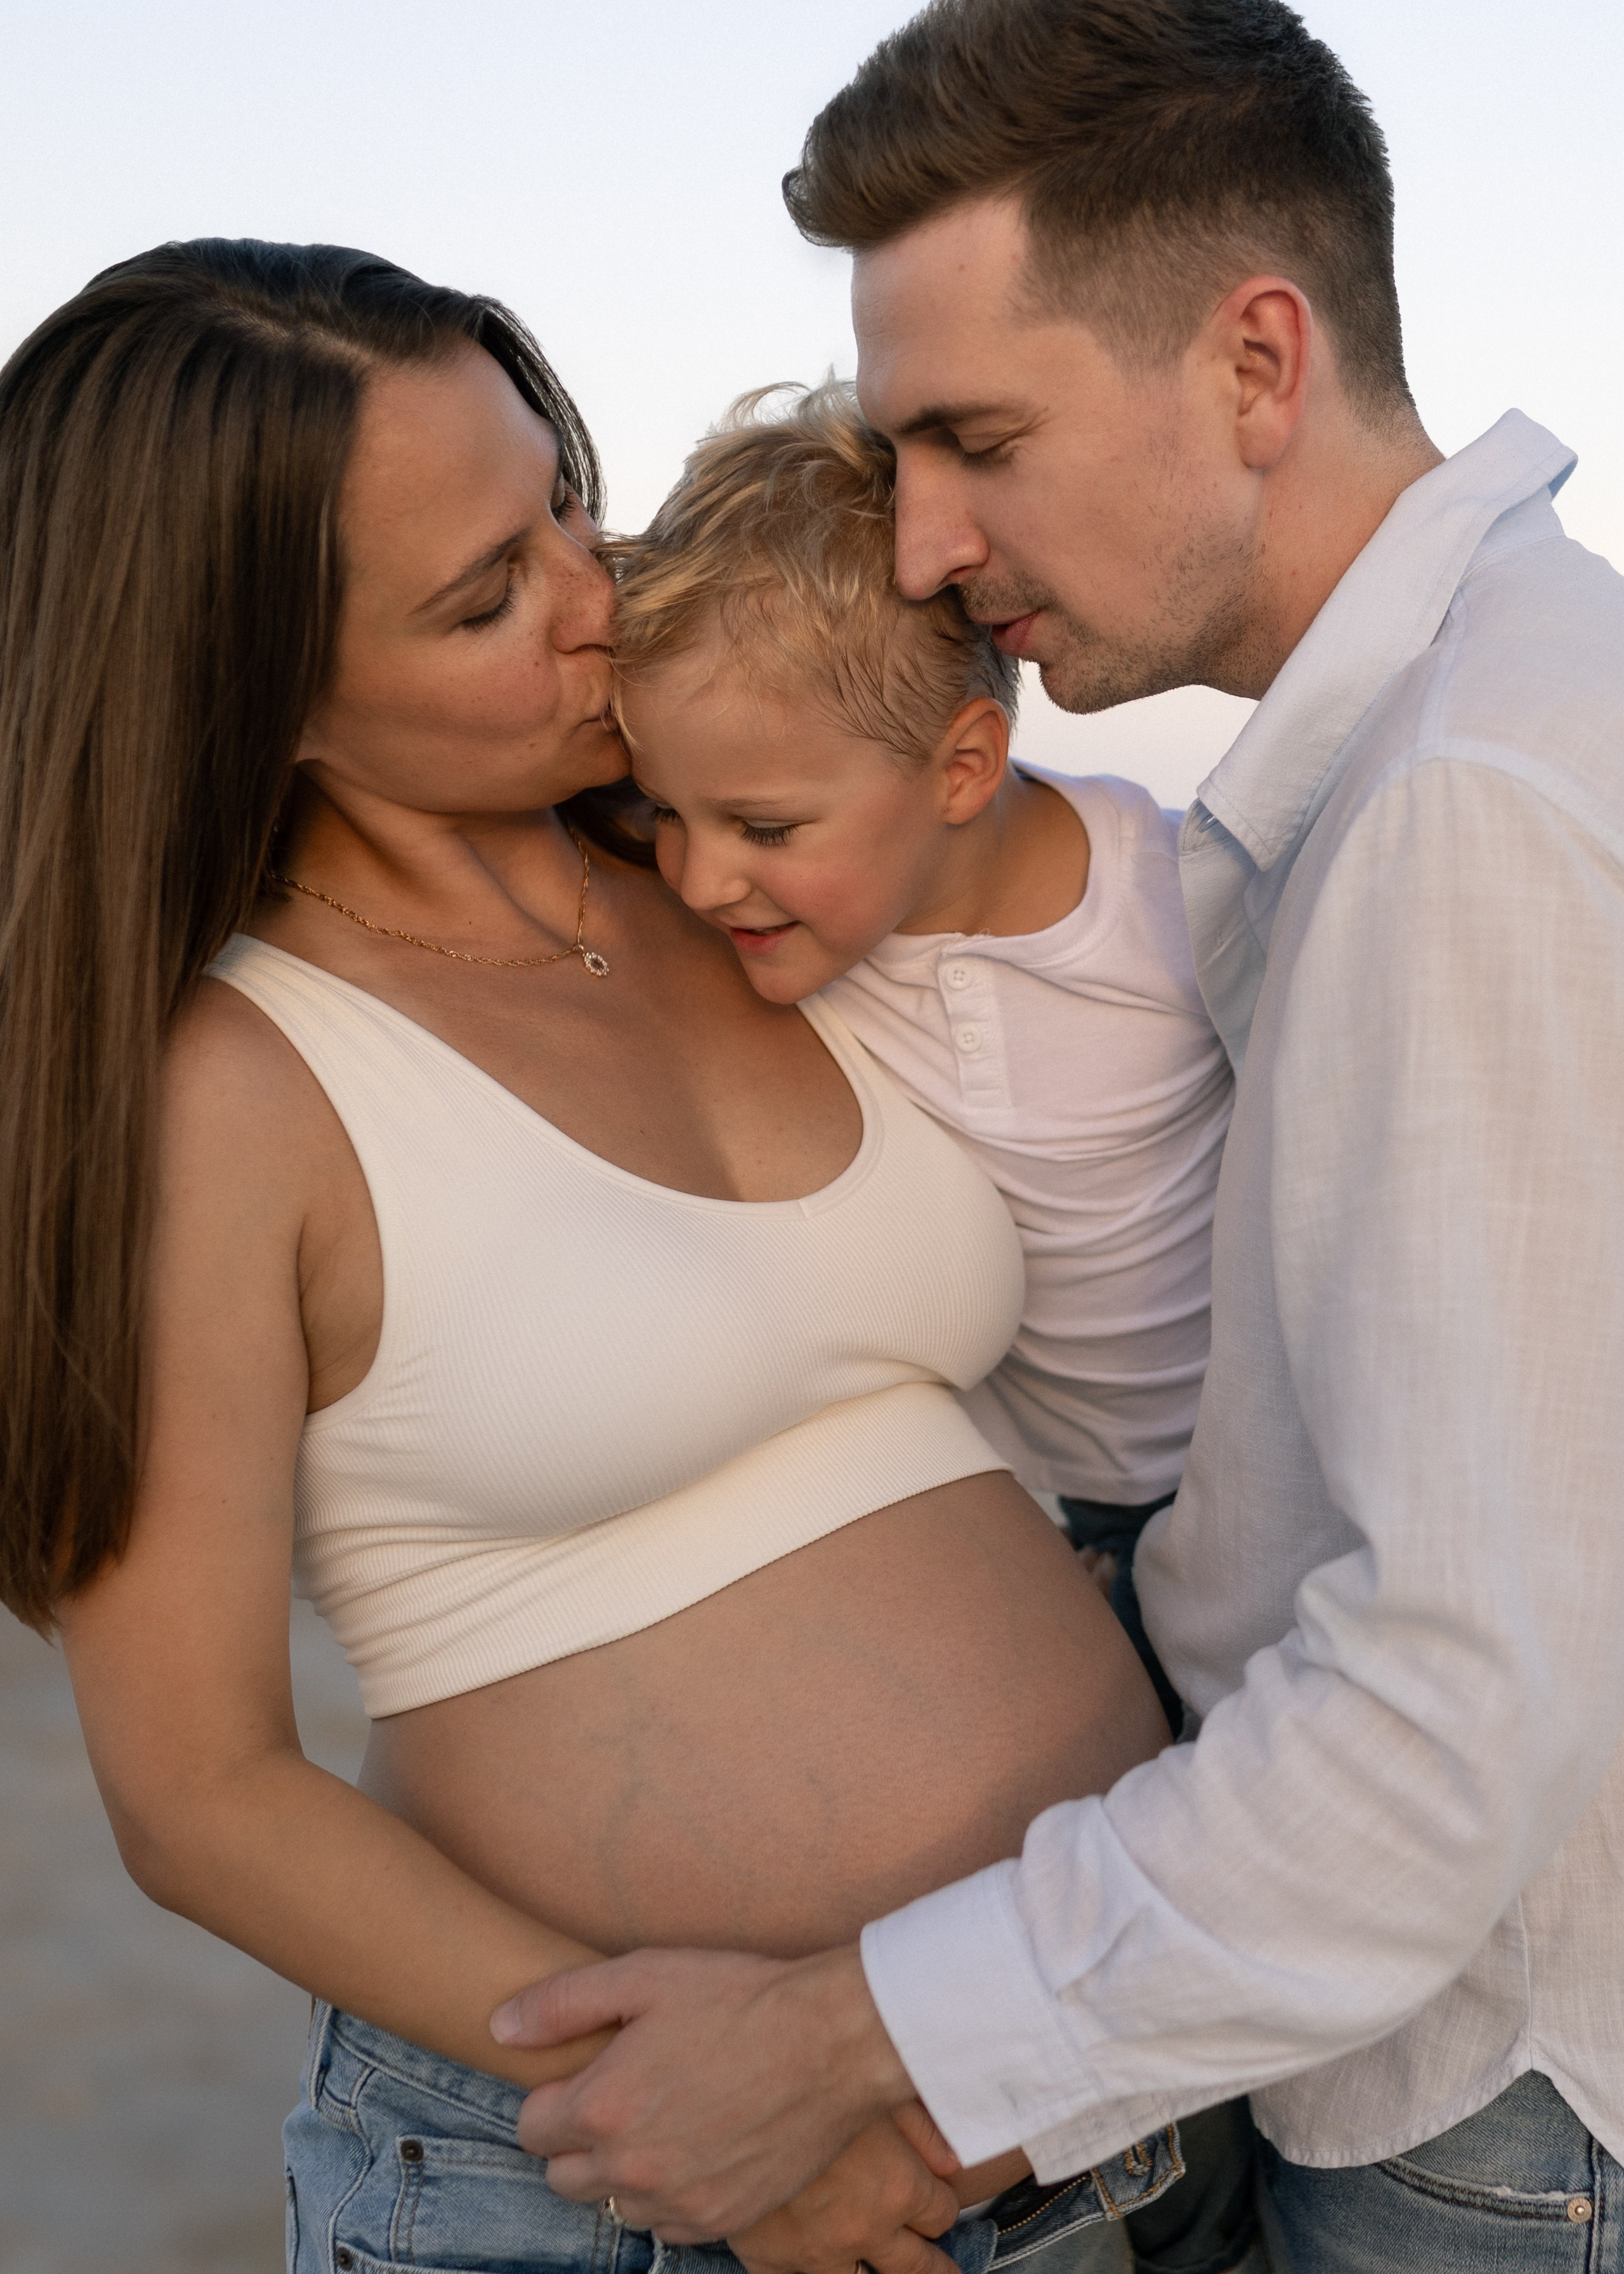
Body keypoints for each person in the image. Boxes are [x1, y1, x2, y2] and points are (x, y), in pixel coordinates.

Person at [489, 4, 1624, 2269]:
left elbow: (1448, 1709)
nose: (920, 545)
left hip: (1466, 2100)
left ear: (1256, 366)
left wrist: (851, 2047)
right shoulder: (1490, 701)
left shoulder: (1464, 809)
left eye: (972, 439)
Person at [0, 238, 1182, 2274]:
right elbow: (196, 1793)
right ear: (250, 684)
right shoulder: (228, 1094)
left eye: (561, 497)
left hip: (1116, 2075)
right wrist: (689, 2110)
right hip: (659, 2191)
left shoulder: (749, 860)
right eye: (483, 596)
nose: (591, 596)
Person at [609, 378, 1233, 1742]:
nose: (703, 878)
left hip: (1248, 1498)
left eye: (762, 826)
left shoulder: (1185, 901)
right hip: (1023, 1520)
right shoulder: (792, 947)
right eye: (663, 811)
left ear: (962, 767)